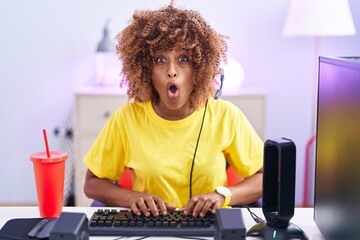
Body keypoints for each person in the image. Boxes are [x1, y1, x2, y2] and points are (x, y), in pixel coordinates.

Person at [83, 1, 263, 218]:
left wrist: (222, 195)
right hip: (149, 228)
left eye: (183, 59)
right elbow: (92, 184)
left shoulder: (226, 116)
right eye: (160, 60)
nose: (171, 71)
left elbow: (266, 178)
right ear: (146, 70)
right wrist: (131, 198)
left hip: (210, 228)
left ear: (198, 68)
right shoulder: (127, 118)